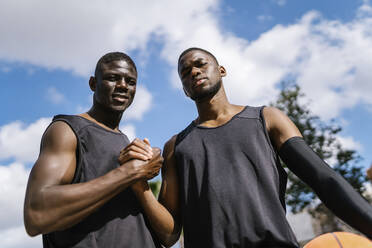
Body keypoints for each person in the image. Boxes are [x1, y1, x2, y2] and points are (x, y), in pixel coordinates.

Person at [130, 47, 372, 248]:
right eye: (185, 72)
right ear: (184, 89)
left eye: (201, 64)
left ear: (222, 71)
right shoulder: (175, 147)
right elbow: (169, 235)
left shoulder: (267, 119)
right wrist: (138, 183)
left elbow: (323, 179)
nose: (194, 71)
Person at [23, 52, 163, 248]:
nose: (123, 85)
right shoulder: (68, 130)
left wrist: (141, 175)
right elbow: (36, 214)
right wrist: (130, 172)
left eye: (130, 81)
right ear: (93, 83)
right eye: (112, 78)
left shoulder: (125, 142)